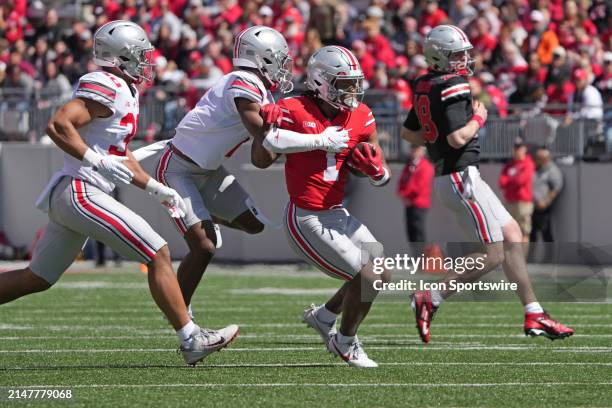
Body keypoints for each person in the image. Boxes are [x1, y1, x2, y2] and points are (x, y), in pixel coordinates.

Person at [0, 21, 238, 366]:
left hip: (78, 193)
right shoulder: (107, 84)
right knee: (158, 252)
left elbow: (120, 153)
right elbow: (58, 124)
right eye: (140, 55)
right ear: (120, 57)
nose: (147, 62)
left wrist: (155, 188)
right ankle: (191, 338)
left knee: (36, 278)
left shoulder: (125, 90)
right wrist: (93, 159)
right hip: (81, 189)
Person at [140, 26, 349, 323]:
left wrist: (285, 128)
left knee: (253, 225)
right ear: (260, 58)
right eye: (277, 59)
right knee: (204, 247)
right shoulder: (244, 82)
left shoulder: (261, 91)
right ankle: (180, 316)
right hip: (178, 168)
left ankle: (203, 216)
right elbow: (269, 139)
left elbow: (263, 156)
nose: (283, 66)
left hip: (209, 171)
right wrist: (320, 140)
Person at [401, 25, 573, 343]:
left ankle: (534, 312)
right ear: (439, 57)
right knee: (493, 254)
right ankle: (431, 297)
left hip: (457, 177)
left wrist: (435, 134)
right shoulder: (453, 84)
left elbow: (409, 133)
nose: (464, 59)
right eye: (456, 55)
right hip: (460, 176)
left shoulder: (424, 83)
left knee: (512, 236)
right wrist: (479, 117)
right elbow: (457, 137)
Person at [265, 46, 391, 367]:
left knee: (382, 272)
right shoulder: (294, 108)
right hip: (306, 216)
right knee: (368, 278)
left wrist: (377, 172)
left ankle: (324, 316)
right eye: (345, 83)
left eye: (355, 83)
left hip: (338, 213)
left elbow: (379, 169)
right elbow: (268, 145)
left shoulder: (360, 114)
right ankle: (345, 343)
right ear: (321, 82)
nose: (353, 91)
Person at [498, 138, 535, 245]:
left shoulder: (528, 163)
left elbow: (521, 180)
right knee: (509, 232)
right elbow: (502, 182)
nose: (517, 150)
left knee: (524, 231)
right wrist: (512, 181)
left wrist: (510, 181)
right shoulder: (509, 165)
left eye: (519, 148)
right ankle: (512, 257)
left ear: (524, 149)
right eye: (516, 148)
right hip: (510, 201)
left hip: (523, 202)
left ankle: (522, 258)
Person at [397, 145, 434, 246]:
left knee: (418, 233)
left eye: (416, 148)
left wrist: (405, 195)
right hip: (409, 204)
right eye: (412, 148)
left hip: (419, 204)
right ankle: (416, 258)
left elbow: (420, 186)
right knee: (411, 233)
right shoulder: (409, 165)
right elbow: (402, 180)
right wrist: (402, 194)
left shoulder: (426, 166)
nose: (413, 151)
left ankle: (422, 258)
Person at [530, 146, 564, 244]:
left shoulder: (552, 170)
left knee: (546, 233)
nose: (538, 159)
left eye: (541, 158)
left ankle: (550, 258)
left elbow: (557, 188)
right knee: (532, 233)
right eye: (537, 157)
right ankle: (531, 258)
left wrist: (546, 202)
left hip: (543, 207)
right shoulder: (534, 168)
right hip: (532, 205)